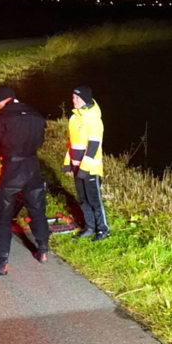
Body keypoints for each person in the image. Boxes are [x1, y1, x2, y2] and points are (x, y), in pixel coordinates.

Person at [0, 84, 50, 275]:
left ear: (0, 101)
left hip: (11, 170)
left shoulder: (2, 117)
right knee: (37, 211)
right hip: (33, 168)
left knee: (2, 215)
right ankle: (43, 251)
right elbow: (40, 142)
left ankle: (1, 264)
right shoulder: (35, 115)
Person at [63, 85, 108, 240]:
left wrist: (84, 168)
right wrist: (68, 163)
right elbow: (71, 143)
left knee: (94, 200)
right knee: (83, 200)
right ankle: (89, 228)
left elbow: (93, 146)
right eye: (73, 97)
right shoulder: (74, 117)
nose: (73, 100)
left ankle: (102, 230)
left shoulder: (94, 120)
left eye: (77, 98)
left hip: (90, 169)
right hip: (77, 168)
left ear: (85, 99)